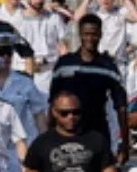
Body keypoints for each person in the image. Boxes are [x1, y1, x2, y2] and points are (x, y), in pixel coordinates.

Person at [50, 13, 129, 156]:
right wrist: (50, 135)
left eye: (94, 34)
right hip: (68, 131)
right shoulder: (64, 64)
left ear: (100, 34)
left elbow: (121, 106)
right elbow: (52, 103)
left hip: (97, 130)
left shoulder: (108, 66)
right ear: (80, 34)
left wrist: (125, 143)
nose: (90, 39)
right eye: (86, 34)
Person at [12, 0, 70, 93]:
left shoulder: (54, 18)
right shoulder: (17, 20)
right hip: (23, 71)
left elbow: (63, 46)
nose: (38, 1)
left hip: (48, 71)